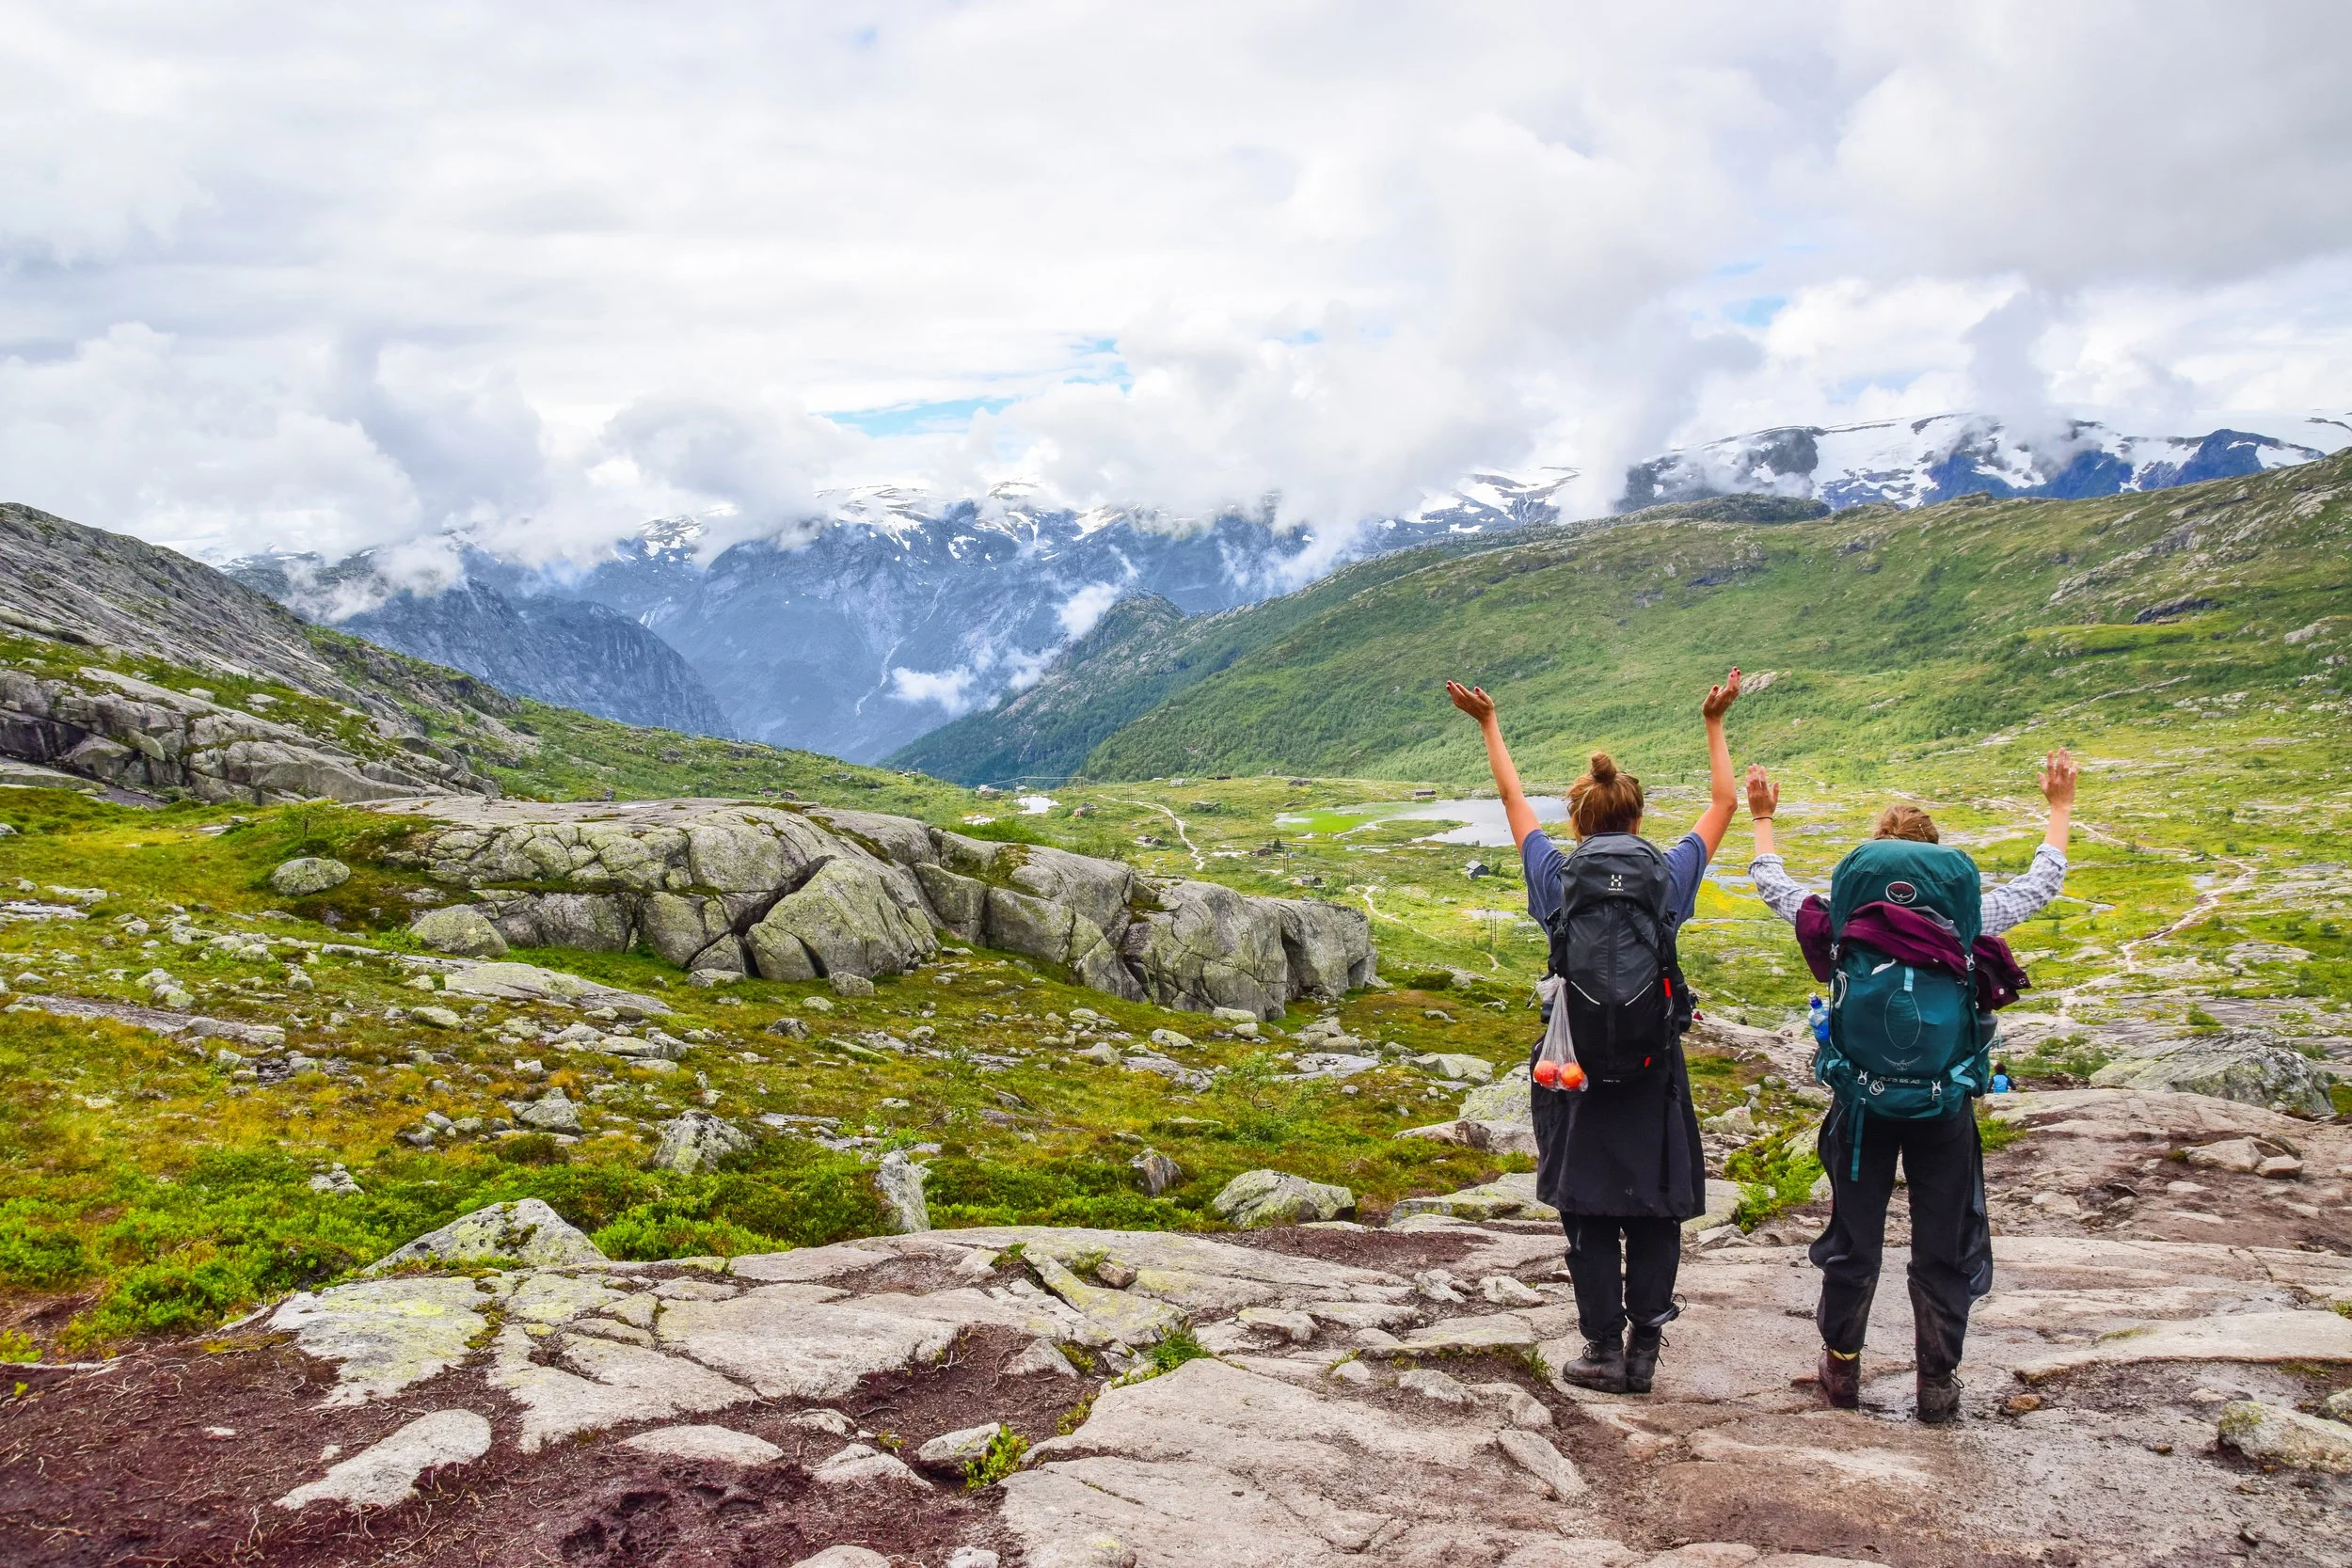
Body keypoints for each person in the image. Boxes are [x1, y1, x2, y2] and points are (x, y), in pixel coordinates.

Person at [1743, 750, 2076, 1423]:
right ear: (1936, 856)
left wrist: (1762, 820)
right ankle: (1937, 1382)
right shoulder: (1968, 914)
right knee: (1943, 1238)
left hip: (1861, 1103)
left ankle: (1841, 1369)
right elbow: (2042, 884)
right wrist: (2060, 808)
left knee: (1854, 1235)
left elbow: (1773, 885)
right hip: (1942, 1102)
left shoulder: (1844, 913)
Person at [1445, 669, 1744, 1395]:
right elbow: (1725, 803)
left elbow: (1513, 802)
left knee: (1587, 1203)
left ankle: (1602, 1350)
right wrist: (1714, 721)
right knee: (1654, 1204)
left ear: (1577, 823)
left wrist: (1488, 722)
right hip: (1652, 1066)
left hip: (1574, 1067)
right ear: (1638, 822)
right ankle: (1644, 1348)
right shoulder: (1668, 874)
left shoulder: (1558, 876)